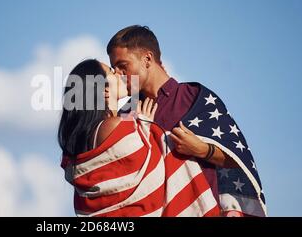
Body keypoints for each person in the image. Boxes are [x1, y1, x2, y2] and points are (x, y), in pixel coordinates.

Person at [107, 25, 267, 217]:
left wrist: (202, 149)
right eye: (113, 68)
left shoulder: (194, 97)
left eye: (122, 66)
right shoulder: (126, 112)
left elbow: (239, 159)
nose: (117, 74)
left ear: (147, 59)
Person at [58, 59, 220, 217]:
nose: (118, 74)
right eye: (111, 72)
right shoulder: (114, 126)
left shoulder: (87, 138)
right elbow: (144, 162)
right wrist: (146, 125)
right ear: (104, 90)